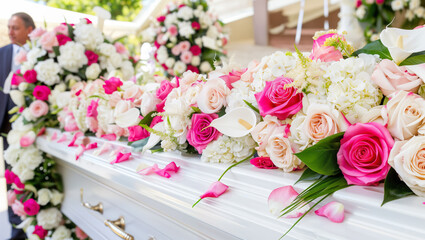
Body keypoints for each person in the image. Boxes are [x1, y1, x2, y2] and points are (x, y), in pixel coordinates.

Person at [0, 12, 35, 240]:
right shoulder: (2, 53)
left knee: (34, 173)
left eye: (15, 28)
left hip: (35, 125)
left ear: (29, 30)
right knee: (13, 177)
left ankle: (39, 226)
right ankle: (16, 232)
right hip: (8, 127)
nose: (10, 32)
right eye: (9, 27)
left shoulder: (43, 54)